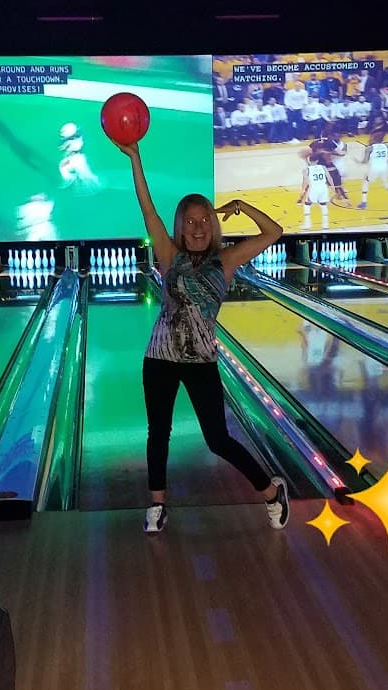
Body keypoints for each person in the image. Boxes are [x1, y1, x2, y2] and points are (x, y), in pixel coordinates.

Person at [118, 140, 290, 535]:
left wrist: (241, 206)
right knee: (157, 433)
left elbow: (274, 231)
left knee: (217, 439)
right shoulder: (169, 255)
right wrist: (136, 159)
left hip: (201, 362)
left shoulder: (225, 260)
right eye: (191, 221)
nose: (198, 227)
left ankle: (270, 492)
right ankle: (158, 505)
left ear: (212, 225)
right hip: (159, 358)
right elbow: (148, 210)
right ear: (181, 225)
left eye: (204, 220)